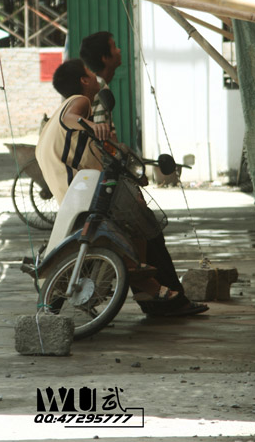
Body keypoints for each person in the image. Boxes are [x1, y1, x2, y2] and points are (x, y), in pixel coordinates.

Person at [80, 31, 208, 316]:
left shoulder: (98, 90)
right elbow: (103, 145)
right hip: (106, 184)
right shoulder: (100, 92)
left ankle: (153, 297)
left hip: (102, 181)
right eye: (114, 47)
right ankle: (170, 301)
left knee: (142, 237)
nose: (120, 50)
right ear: (105, 57)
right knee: (149, 232)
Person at [36, 58, 180, 304]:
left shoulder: (54, 119)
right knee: (137, 219)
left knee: (130, 216)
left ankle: (143, 282)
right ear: (84, 80)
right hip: (83, 192)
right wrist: (92, 125)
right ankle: (148, 285)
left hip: (71, 196)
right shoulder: (79, 101)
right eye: (90, 72)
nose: (95, 76)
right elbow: (72, 117)